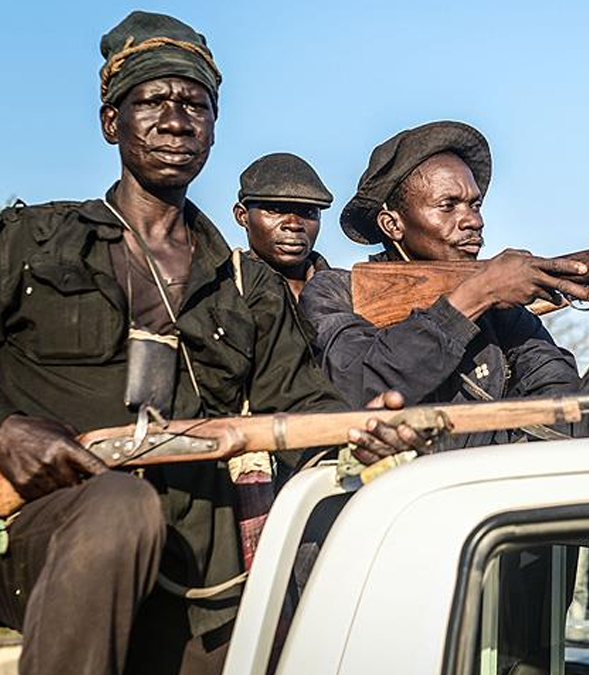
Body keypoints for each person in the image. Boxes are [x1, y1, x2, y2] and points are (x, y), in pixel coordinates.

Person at [0, 13, 416, 675]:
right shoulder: (28, 243)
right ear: (112, 122)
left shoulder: (249, 284)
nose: (176, 119)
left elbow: (308, 410)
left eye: (195, 104)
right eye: (152, 102)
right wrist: (4, 432)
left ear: (214, 130)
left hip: (199, 580)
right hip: (43, 538)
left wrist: (369, 428)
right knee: (118, 504)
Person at [300, 121, 589, 449]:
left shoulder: (505, 315)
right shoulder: (336, 292)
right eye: (449, 206)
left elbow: (577, 429)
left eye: (475, 204)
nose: (472, 221)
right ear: (392, 223)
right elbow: (361, 388)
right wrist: (477, 294)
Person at [232, 152, 333, 301]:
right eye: (275, 210)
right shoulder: (222, 290)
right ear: (242, 216)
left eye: (308, 212)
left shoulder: (351, 293)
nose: (293, 224)